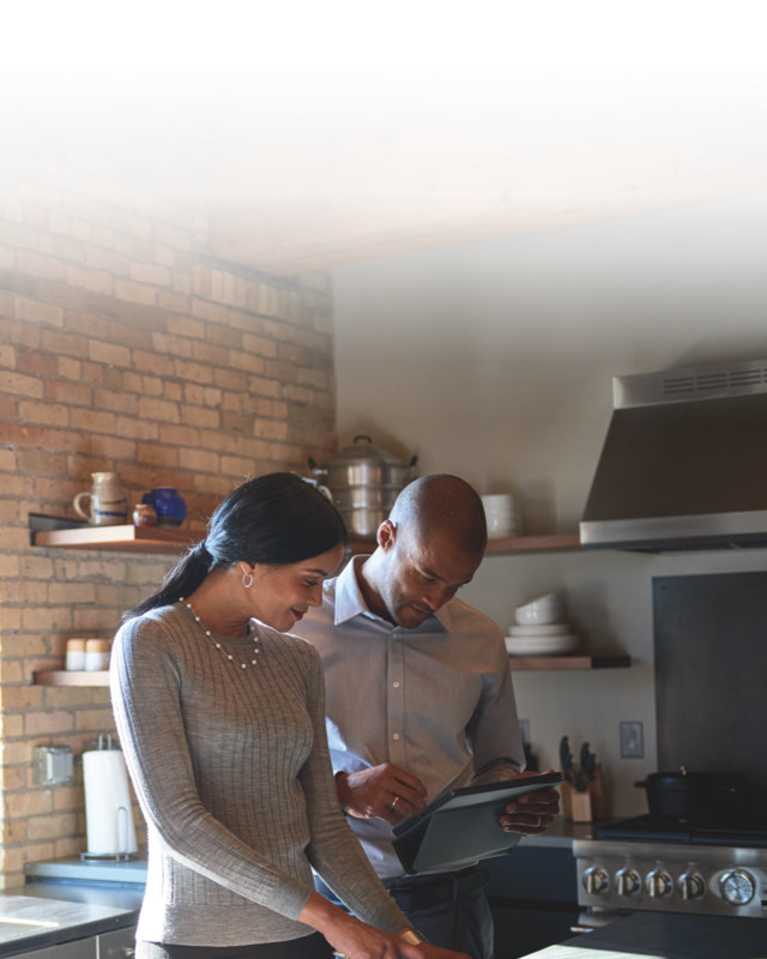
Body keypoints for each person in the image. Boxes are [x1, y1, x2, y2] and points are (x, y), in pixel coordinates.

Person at [111, 473, 469, 959]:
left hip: (300, 941)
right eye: (310, 580)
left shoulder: (297, 659)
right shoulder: (152, 641)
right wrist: (330, 918)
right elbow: (179, 823)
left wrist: (410, 944)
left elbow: (326, 828)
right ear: (250, 563)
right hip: (193, 943)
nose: (318, 599)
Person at [292, 475, 560, 959]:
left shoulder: (480, 638)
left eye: (456, 586)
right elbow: (258, 781)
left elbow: (500, 762)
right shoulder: (298, 627)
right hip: (335, 905)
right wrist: (342, 793)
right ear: (386, 536)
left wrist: (512, 801)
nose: (437, 600)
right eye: (427, 576)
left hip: (454, 902)